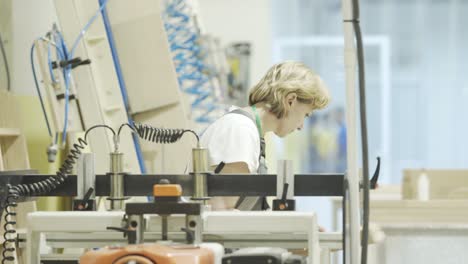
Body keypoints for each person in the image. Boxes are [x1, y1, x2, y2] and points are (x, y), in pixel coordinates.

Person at [200, 61, 331, 210]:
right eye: (305, 115)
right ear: (290, 100)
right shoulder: (239, 129)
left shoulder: (250, 131)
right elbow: (221, 213)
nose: (301, 126)